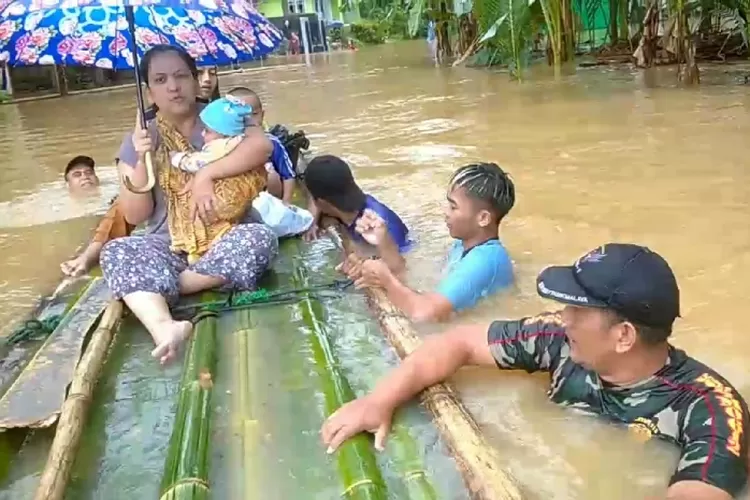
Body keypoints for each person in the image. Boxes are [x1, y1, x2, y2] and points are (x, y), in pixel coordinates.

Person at [322, 243, 750, 500]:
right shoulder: (558, 338)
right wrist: (380, 400)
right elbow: (457, 343)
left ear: (623, 336)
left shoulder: (710, 407)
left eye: (577, 310)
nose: (562, 318)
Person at [102, 45, 277, 365]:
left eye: (182, 76)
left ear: (196, 80)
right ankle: (164, 326)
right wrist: (141, 157)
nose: (173, 86)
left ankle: (167, 286)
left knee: (259, 239)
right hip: (167, 245)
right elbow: (134, 214)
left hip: (228, 235)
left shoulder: (223, 115)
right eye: (161, 79)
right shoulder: (140, 137)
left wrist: (205, 175)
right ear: (148, 91)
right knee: (116, 251)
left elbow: (262, 146)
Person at [342, 163, 515, 322]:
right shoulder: (463, 246)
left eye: (453, 207)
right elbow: (403, 275)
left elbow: (425, 314)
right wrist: (384, 240)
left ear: (483, 218)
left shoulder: (484, 260)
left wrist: (386, 279)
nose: (445, 212)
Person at [166, 96, 265, 263]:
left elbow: (196, 162)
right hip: (226, 225)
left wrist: (177, 158)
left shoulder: (221, 146)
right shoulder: (239, 139)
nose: (203, 134)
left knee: (260, 238)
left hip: (220, 212)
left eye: (208, 131)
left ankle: (194, 259)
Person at [303, 154, 410, 274]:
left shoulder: (373, 225)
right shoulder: (350, 206)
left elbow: (399, 271)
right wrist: (312, 222)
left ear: (322, 202)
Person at [60, 156, 134, 277]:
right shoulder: (62, 206)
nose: (85, 176)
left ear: (97, 179)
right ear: (68, 185)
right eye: (77, 174)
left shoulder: (112, 195)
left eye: (89, 172)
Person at [225, 87, 298, 203]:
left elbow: (288, 176)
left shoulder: (271, 142)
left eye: (253, 114)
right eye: (240, 115)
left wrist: (286, 203)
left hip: (266, 198)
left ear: (262, 115)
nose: (247, 120)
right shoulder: (224, 143)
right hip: (237, 195)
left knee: (272, 175)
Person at [144, 65, 220, 121]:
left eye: (212, 73)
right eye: (199, 72)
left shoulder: (222, 111)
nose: (207, 79)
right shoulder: (149, 121)